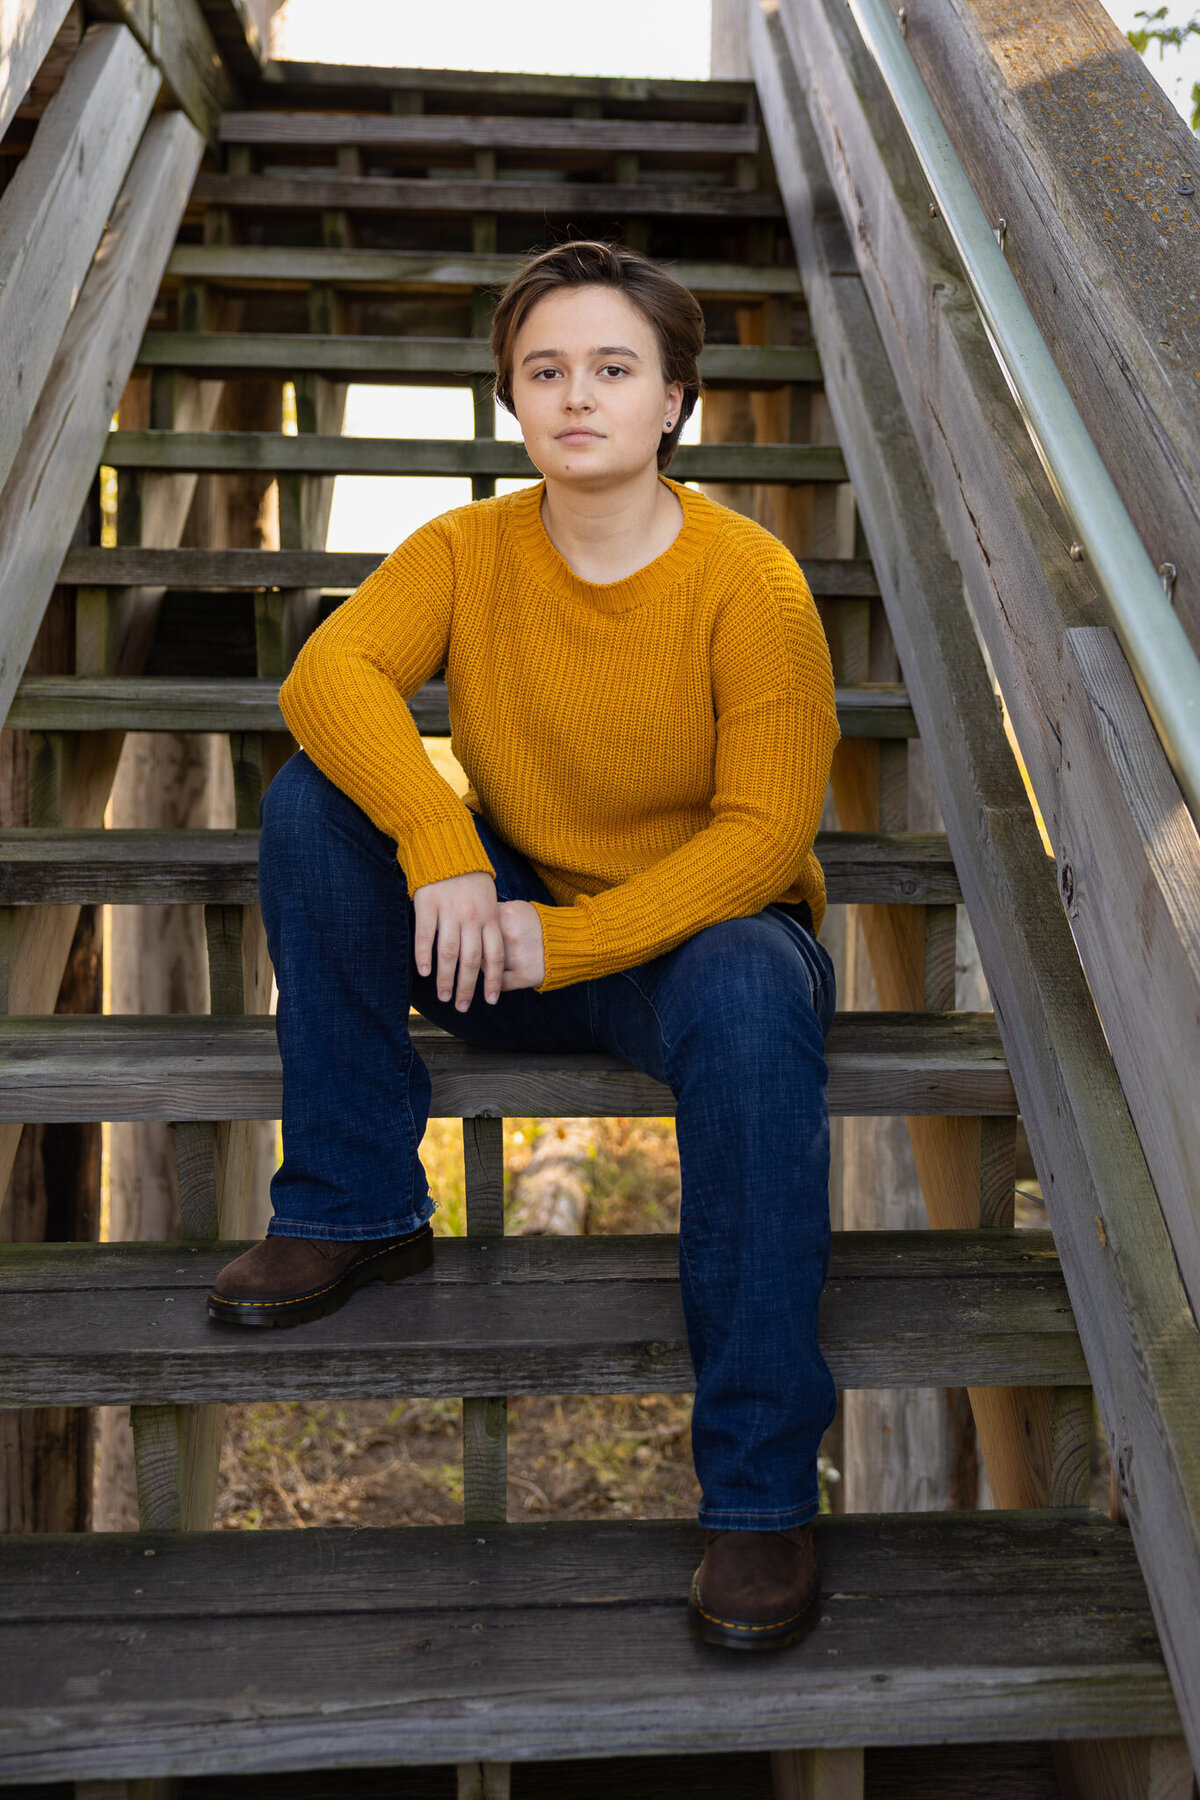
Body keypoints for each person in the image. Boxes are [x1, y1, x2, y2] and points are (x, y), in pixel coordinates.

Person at [208, 240, 841, 1652]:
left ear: (675, 396)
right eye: (545, 370)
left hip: (698, 951)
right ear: (512, 399)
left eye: (613, 368)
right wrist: (443, 847)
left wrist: (570, 942)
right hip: (513, 932)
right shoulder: (465, 551)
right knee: (319, 799)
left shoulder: (756, 583)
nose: (577, 396)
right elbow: (329, 676)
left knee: (749, 980)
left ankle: (755, 1496)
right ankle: (353, 1202)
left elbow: (760, 836)